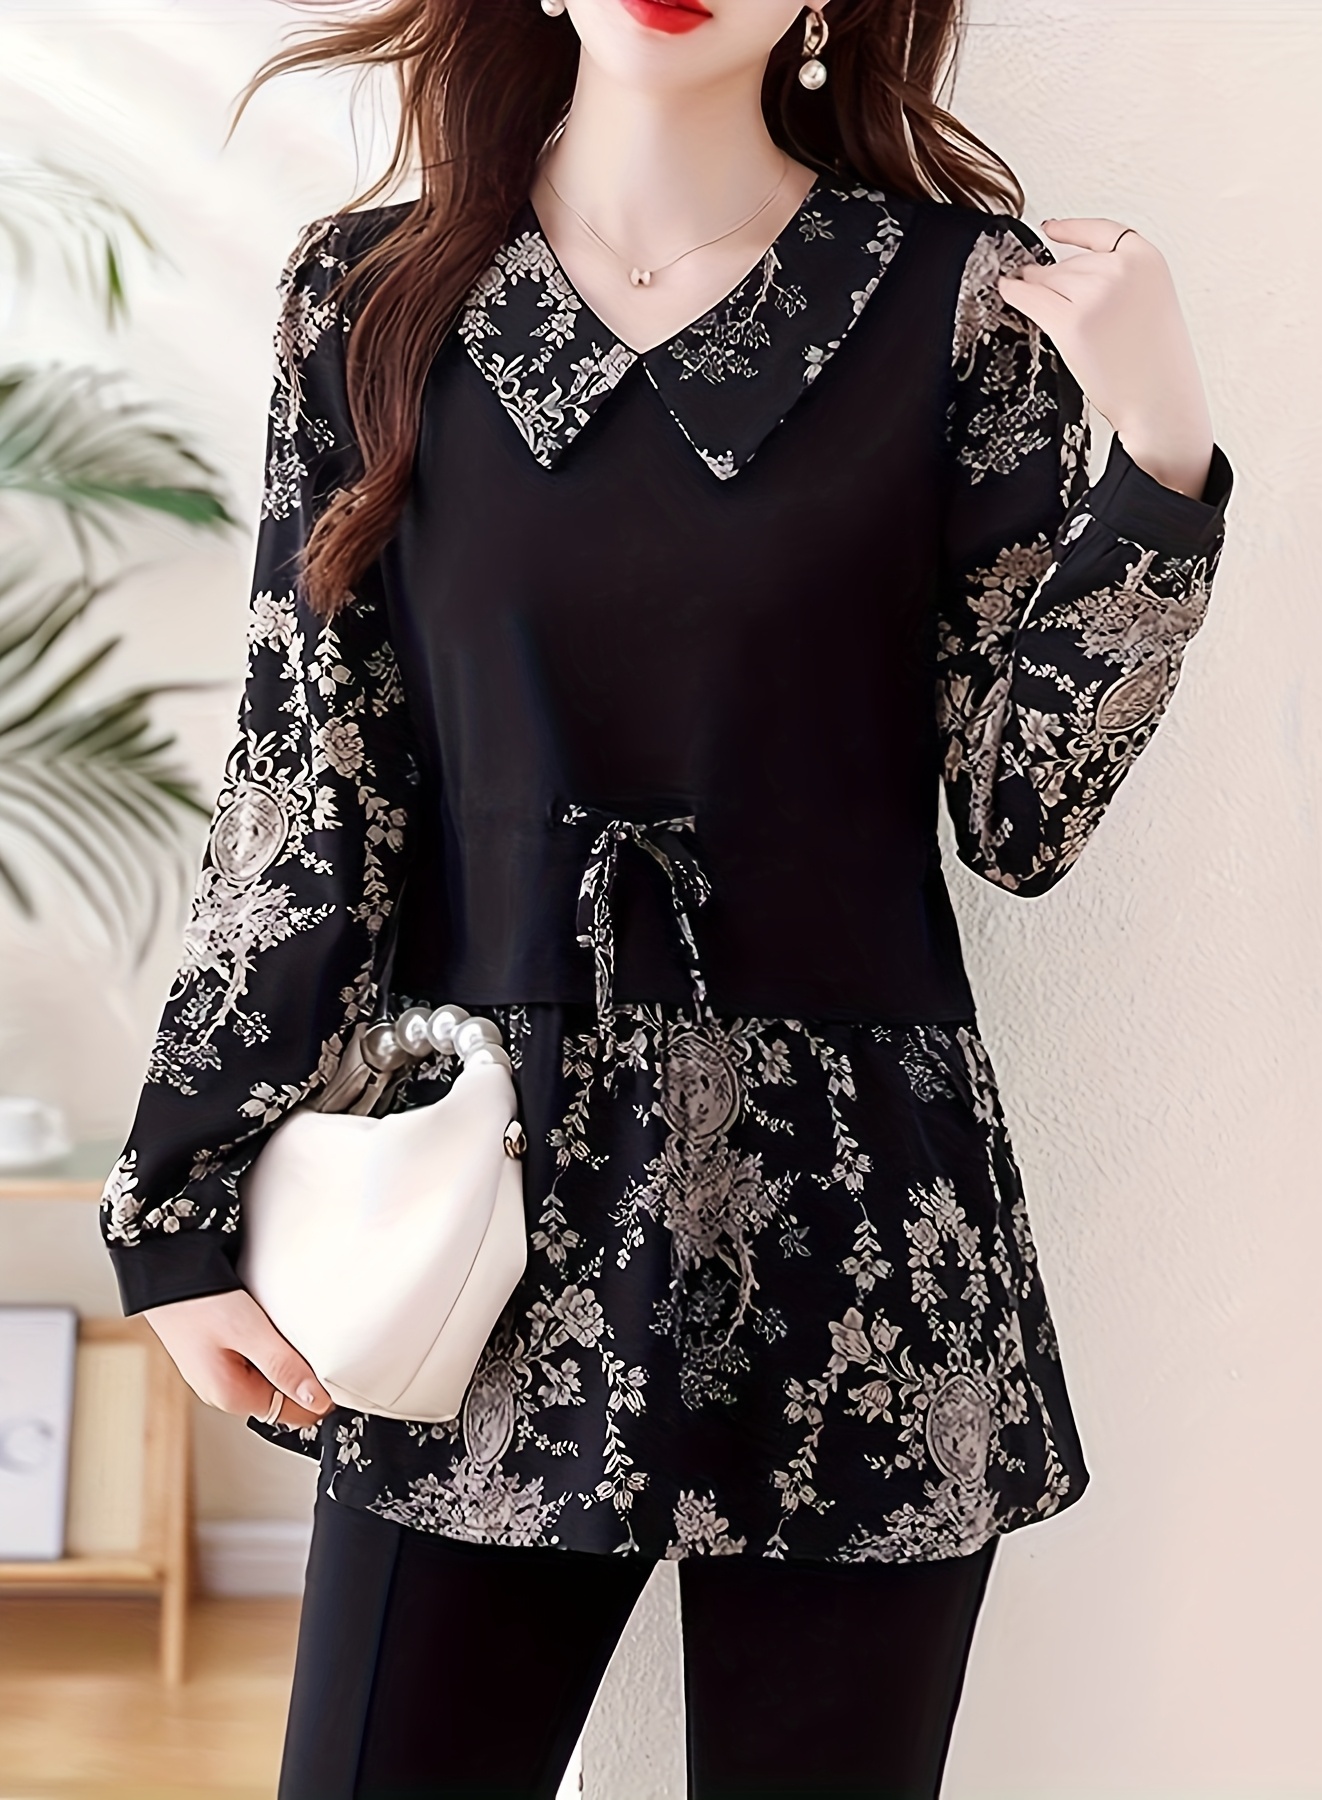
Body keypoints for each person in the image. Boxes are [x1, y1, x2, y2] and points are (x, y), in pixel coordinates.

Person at [100, 1, 1231, 1794]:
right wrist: (179, 1202)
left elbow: (1019, 815)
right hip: (476, 1203)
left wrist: (1156, 457)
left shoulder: (960, 303)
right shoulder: (372, 296)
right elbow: (310, 777)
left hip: (863, 1233)